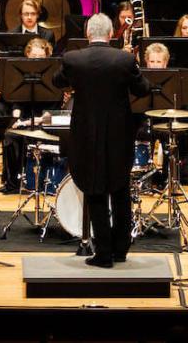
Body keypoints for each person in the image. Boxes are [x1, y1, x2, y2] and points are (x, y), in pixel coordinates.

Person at [52, 14, 147, 266]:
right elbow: (143, 89)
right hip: (119, 135)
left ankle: (103, 253)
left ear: (87, 33)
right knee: (120, 189)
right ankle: (120, 249)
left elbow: (57, 81)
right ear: (110, 34)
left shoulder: (73, 59)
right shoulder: (124, 59)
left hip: (86, 134)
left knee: (95, 191)